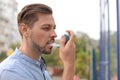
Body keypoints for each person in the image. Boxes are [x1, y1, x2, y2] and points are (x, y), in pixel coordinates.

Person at [0, 3, 76, 80]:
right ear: (24, 30)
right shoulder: (12, 72)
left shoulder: (42, 71)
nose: (54, 34)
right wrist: (69, 64)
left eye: (54, 28)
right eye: (46, 28)